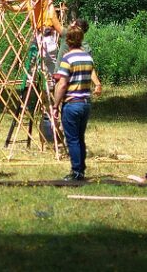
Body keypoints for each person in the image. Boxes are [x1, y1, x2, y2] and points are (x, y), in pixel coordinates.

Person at [51, 24, 93, 181]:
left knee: (72, 139)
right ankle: (81, 169)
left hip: (72, 102)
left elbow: (62, 84)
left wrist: (55, 105)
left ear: (68, 40)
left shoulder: (68, 58)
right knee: (80, 137)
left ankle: (76, 171)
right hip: (85, 102)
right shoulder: (87, 57)